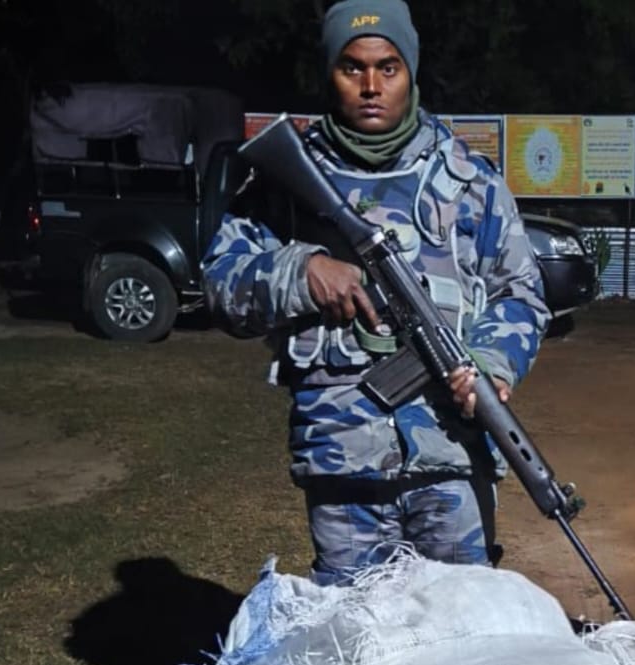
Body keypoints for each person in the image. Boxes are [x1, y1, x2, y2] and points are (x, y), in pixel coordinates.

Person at [203, 0, 549, 584]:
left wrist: (492, 364)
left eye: (388, 67)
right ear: (329, 74)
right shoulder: (285, 183)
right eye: (352, 67)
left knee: (465, 638)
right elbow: (221, 282)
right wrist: (301, 270)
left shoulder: (469, 182)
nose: (370, 86)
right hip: (344, 466)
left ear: (411, 71)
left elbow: (521, 293)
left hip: (453, 456)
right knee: (356, 643)